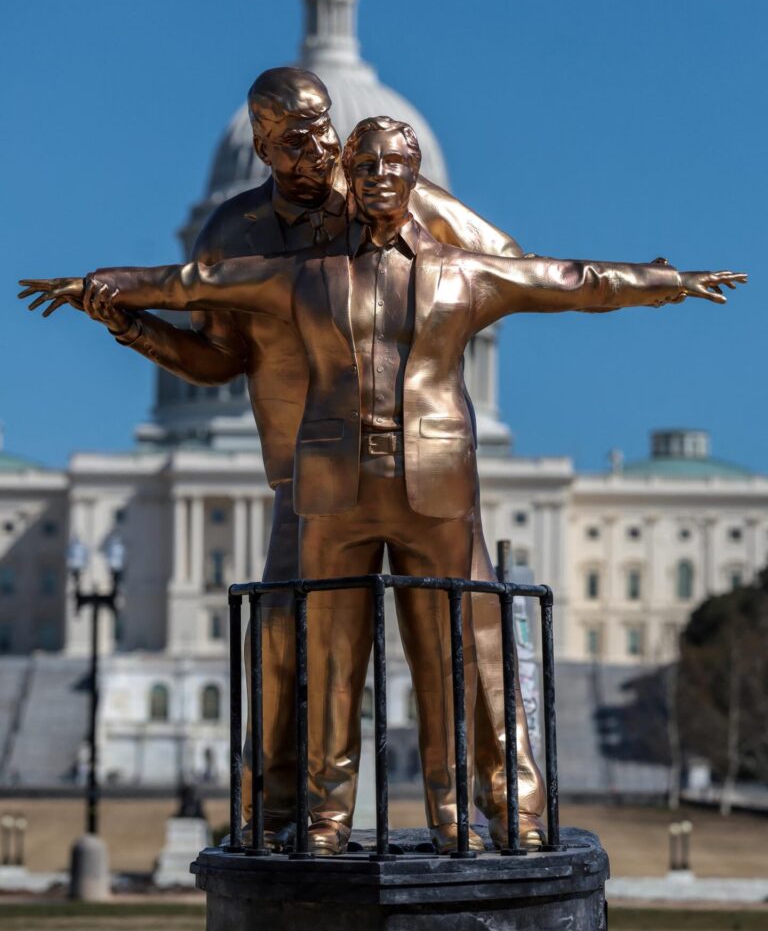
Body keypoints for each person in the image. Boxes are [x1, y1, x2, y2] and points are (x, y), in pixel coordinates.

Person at [20, 116, 746, 854]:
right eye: (364, 167)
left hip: (435, 482)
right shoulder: (306, 274)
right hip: (333, 484)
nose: (378, 180)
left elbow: (572, 281)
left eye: (393, 167)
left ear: (414, 178)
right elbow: (196, 282)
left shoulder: (464, 272)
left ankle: (455, 812)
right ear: (350, 179)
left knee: (450, 658)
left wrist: (668, 283)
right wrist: (100, 288)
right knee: (330, 663)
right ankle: (325, 817)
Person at [23, 67, 548, 850]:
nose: (321, 148)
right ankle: (280, 814)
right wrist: (132, 327)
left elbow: (508, 263)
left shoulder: (381, 190)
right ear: (263, 147)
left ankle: (509, 804)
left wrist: (422, 288)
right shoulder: (233, 232)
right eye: (297, 139)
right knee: (280, 632)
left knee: (470, 628)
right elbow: (214, 360)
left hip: (416, 457)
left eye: (325, 127)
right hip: (310, 472)